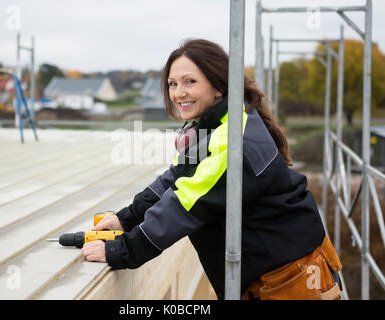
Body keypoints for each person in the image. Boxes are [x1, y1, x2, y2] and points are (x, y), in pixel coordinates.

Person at [80, 39, 343, 300]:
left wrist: (123, 250)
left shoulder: (234, 139)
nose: (178, 92)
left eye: (190, 81)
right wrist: (125, 218)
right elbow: (175, 179)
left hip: (291, 278)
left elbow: (186, 203)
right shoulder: (218, 125)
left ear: (218, 86)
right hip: (278, 272)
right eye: (173, 84)